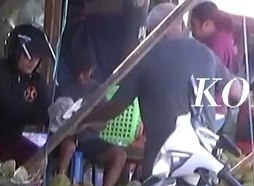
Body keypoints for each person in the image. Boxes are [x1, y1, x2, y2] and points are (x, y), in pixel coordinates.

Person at [92, 3, 242, 176]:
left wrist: (87, 119)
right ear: (181, 25)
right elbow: (235, 92)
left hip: (161, 164)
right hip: (201, 162)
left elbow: (116, 106)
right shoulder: (207, 54)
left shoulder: (145, 59)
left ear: (151, 31)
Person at [0, 24, 55, 164]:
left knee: (40, 159)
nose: (33, 62)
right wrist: (39, 114)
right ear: (15, 51)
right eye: (28, 56)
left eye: (37, 58)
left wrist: (60, 114)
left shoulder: (36, 80)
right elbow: (8, 109)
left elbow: (47, 109)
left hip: (12, 139)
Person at [53, 52, 130, 186]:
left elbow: (103, 124)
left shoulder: (97, 90)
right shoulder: (64, 87)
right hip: (66, 136)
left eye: (85, 72)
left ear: (92, 69)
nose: (81, 77)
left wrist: (86, 123)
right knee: (69, 147)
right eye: (79, 72)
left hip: (89, 140)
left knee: (120, 155)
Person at [190, 1, 237, 71]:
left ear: (206, 24)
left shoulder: (215, 43)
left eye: (194, 25)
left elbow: (208, 73)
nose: (191, 29)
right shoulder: (225, 39)